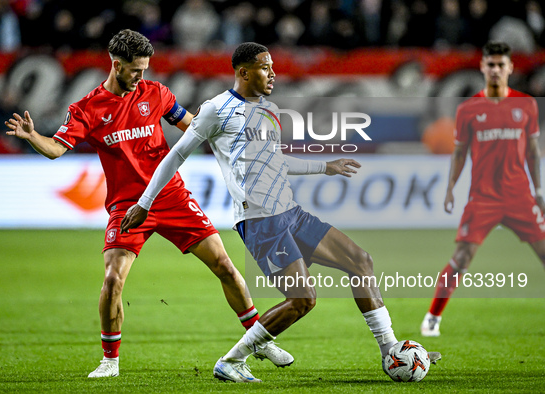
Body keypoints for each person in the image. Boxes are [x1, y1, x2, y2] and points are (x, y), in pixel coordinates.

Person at [121, 42, 441, 383]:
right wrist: (145, 202)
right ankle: (231, 361)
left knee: (360, 261)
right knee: (302, 300)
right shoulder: (217, 109)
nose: (273, 73)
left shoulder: (269, 110)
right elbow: (176, 154)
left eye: (272, 66)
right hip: (260, 220)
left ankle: (390, 349)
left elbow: (275, 161)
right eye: (264, 67)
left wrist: (324, 168)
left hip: (290, 212)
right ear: (243, 72)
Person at [4, 30, 291, 378]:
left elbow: (191, 126)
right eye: (136, 70)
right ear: (116, 65)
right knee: (112, 280)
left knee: (226, 267)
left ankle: (258, 339)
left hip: (171, 196)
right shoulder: (88, 109)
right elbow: (55, 149)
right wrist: (32, 136)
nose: (142, 77)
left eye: (145, 69)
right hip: (128, 206)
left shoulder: (155, 93)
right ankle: (110, 361)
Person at [421, 41, 545, 337]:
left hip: (520, 196)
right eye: (491, 64)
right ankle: (433, 317)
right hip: (483, 198)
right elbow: (460, 153)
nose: (496, 70)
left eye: (501, 65)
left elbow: (532, 151)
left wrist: (539, 190)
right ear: (482, 67)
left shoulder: (526, 105)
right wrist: (451, 188)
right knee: (463, 256)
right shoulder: (468, 109)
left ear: (511, 68)